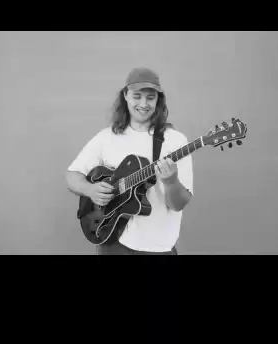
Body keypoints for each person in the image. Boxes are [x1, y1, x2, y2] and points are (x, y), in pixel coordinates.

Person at [65, 67, 194, 255]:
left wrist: (171, 182)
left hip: (158, 249)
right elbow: (71, 176)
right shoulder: (107, 137)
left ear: (158, 100)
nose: (143, 104)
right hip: (113, 243)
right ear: (125, 95)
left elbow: (178, 205)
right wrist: (89, 189)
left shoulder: (176, 141)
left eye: (150, 98)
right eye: (137, 96)